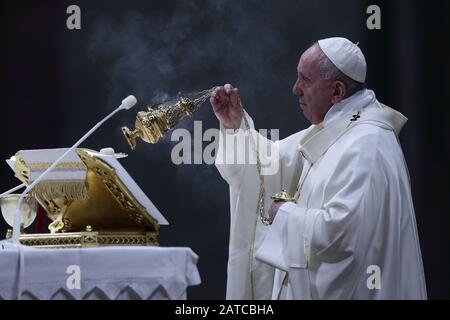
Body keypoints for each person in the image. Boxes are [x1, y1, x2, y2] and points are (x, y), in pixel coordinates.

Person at [210, 37, 427, 299]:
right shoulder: (337, 130)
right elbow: (271, 162)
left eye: (305, 80)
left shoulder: (367, 145)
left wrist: (287, 215)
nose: (295, 89)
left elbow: (344, 236)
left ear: (337, 92)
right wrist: (236, 128)